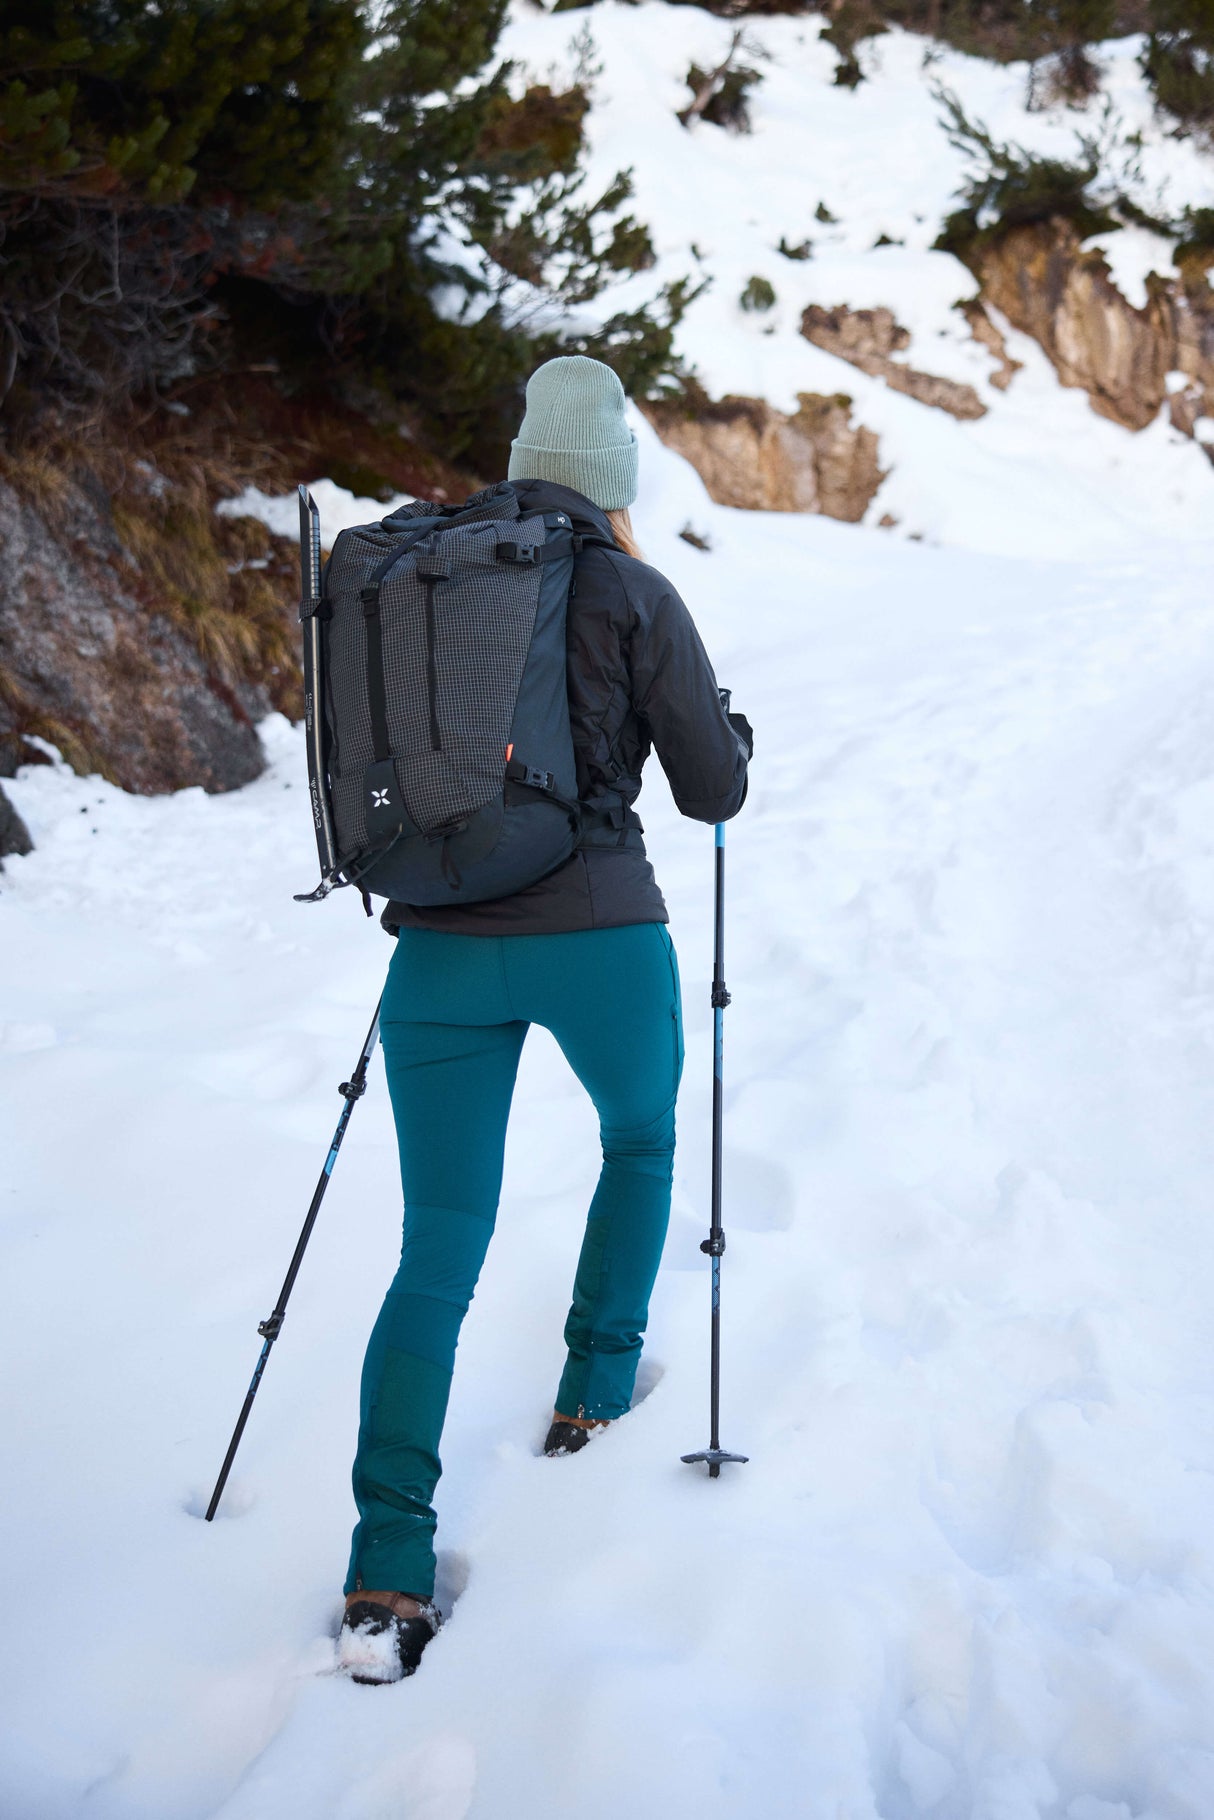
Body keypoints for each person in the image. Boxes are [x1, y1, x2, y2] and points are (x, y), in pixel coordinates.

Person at [336, 355, 752, 1685]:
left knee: (436, 1249)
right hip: (594, 934)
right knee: (639, 1141)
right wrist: (725, 729)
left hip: (438, 956)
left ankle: (387, 1563)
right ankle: (590, 1387)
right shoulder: (633, 590)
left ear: (521, 459)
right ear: (615, 481)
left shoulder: (430, 579)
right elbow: (710, 792)